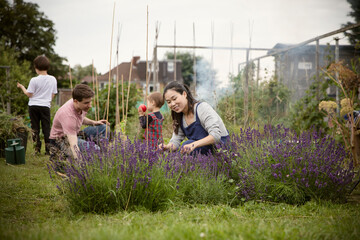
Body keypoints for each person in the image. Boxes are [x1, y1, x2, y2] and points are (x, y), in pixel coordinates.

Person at [159, 81, 229, 155]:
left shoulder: (202, 108)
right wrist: (167, 147)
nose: (172, 104)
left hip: (221, 150)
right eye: (169, 102)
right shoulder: (180, 116)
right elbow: (175, 142)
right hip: (202, 151)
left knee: (187, 145)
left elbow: (216, 136)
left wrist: (194, 144)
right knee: (179, 154)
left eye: (174, 98)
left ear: (184, 94)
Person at [49, 84, 110, 162]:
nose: (90, 105)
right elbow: (73, 144)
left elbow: (80, 118)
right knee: (94, 149)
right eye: (86, 103)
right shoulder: (68, 115)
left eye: (90, 102)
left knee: (104, 127)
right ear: (76, 101)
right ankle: (91, 159)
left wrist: (94, 122)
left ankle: (103, 157)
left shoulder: (79, 105)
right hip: (60, 141)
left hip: (74, 134)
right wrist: (80, 165)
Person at [17, 55, 57, 155]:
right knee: (46, 128)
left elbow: (29, 94)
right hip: (45, 106)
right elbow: (52, 95)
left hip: (33, 106)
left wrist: (22, 87)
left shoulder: (34, 80)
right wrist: (46, 101)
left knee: (35, 128)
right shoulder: (53, 79)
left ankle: (37, 149)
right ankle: (48, 150)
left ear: (36, 67)